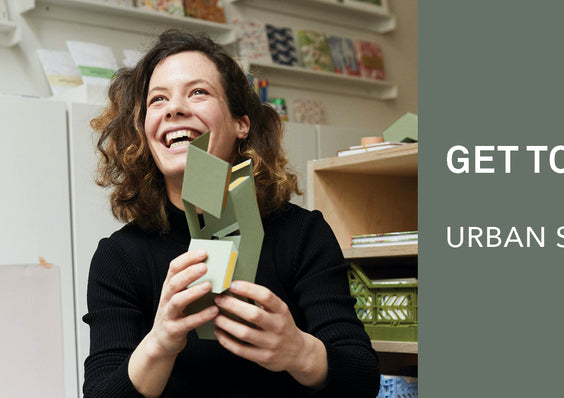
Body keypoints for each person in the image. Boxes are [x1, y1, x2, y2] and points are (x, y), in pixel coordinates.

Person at [83, 30, 380, 397]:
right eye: (157, 100)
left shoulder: (303, 234)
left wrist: (297, 350)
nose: (174, 108)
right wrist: (159, 343)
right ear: (144, 132)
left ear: (242, 123)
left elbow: (363, 380)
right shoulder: (119, 257)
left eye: (198, 92)